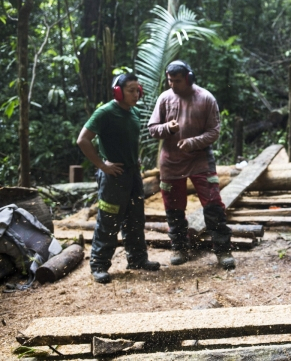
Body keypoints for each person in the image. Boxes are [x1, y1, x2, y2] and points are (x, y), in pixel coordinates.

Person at [148, 60, 235, 269]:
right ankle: (179, 247)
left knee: (213, 205)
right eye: (170, 80)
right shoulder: (165, 98)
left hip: (200, 160)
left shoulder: (205, 98)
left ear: (188, 78)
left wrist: (192, 142)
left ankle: (223, 251)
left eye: (177, 81)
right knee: (174, 208)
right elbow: (152, 128)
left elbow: (214, 131)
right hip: (170, 163)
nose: (172, 85)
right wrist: (166, 128)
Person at [77, 73, 160, 284]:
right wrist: (103, 165)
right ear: (118, 91)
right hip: (114, 177)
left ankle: (138, 259)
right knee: (109, 220)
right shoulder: (105, 112)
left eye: (137, 90)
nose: (136, 94)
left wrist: (136, 159)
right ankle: (98, 265)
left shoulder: (135, 112)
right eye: (131, 90)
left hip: (133, 175)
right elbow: (83, 140)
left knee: (135, 218)